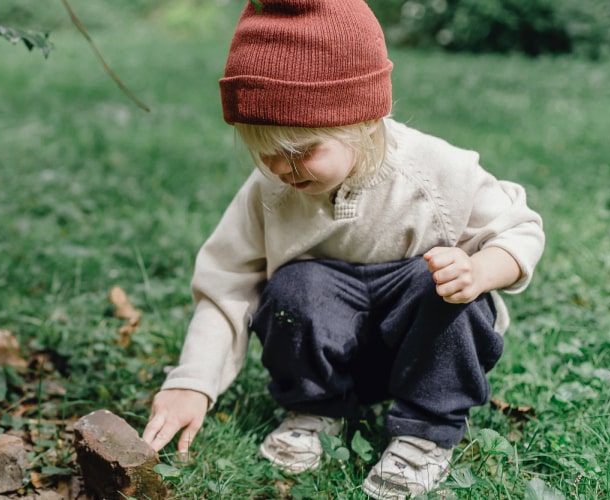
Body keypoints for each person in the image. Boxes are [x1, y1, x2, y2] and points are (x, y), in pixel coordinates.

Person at [140, 0, 546, 498]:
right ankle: (316, 407)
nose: (284, 170)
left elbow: (520, 228)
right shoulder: (270, 192)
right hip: (331, 349)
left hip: (419, 347)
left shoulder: (436, 172)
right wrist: (193, 380)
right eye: (266, 154)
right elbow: (227, 281)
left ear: (363, 121)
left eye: (301, 152)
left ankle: (425, 432)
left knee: (442, 286)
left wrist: (483, 269)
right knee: (296, 284)